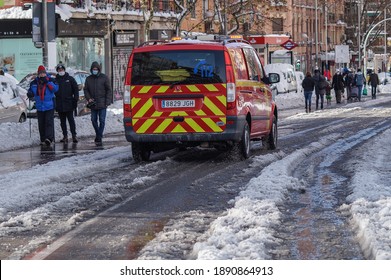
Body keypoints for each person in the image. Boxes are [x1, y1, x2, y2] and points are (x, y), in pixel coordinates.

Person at [27, 65, 59, 146]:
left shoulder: (50, 80)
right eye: (40, 73)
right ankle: (43, 139)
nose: (42, 75)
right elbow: (31, 91)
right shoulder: (34, 83)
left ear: (45, 73)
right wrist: (30, 94)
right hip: (39, 106)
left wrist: (47, 82)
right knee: (41, 123)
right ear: (38, 74)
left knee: (49, 122)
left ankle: (49, 138)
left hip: (49, 105)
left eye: (43, 73)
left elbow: (55, 89)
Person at [84, 61, 112, 145]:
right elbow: (86, 90)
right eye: (93, 69)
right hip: (93, 103)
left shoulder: (104, 78)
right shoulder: (88, 79)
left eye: (96, 69)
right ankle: (99, 134)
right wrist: (88, 98)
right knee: (93, 120)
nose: (94, 70)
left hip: (103, 103)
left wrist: (107, 101)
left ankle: (98, 136)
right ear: (91, 70)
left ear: (99, 69)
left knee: (102, 120)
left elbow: (109, 90)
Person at [55, 63, 79, 143]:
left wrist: (75, 100)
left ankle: (74, 135)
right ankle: (65, 136)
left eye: (62, 70)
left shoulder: (70, 79)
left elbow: (76, 89)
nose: (60, 71)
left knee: (71, 120)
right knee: (62, 122)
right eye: (59, 70)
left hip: (69, 103)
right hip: (60, 104)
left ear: (64, 70)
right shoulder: (56, 80)